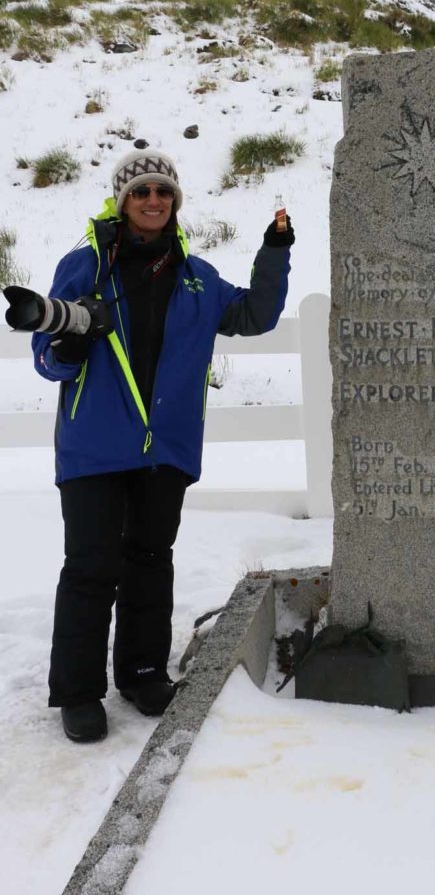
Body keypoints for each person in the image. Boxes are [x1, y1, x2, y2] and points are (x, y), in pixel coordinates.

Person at [30, 149, 293, 741]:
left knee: (150, 562)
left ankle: (144, 674)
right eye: (142, 191)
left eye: (163, 192)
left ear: (175, 203)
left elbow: (253, 315)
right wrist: (67, 351)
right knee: (91, 567)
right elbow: (46, 353)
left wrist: (275, 254)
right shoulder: (84, 266)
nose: (153, 201)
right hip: (94, 446)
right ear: (123, 200)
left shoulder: (196, 276)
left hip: (164, 448)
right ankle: (77, 692)